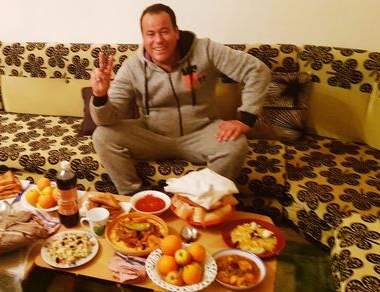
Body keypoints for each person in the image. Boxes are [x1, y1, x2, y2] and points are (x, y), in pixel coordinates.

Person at [90, 3, 271, 195]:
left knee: (236, 145)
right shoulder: (132, 67)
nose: (158, 40)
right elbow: (107, 119)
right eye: (150, 34)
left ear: (176, 32)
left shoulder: (205, 49)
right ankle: (134, 198)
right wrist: (100, 97)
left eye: (165, 31)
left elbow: (257, 71)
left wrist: (246, 119)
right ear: (143, 38)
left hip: (201, 133)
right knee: (102, 135)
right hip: (153, 135)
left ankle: (200, 201)